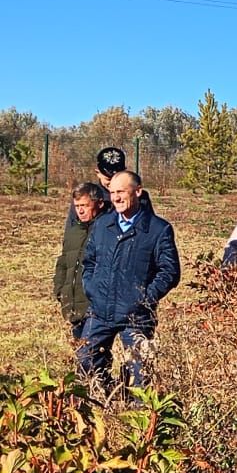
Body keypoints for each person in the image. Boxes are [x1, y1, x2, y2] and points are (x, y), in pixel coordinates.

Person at [79, 171, 180, 392]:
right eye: (112, 192)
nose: (115, 198)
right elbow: (89, 261)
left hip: (136, 317)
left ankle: (138, 420)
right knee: (86, 363)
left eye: (121, 192)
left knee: (139, 376)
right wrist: (92, 288)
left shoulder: (157, 229)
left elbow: (170, 271)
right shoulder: (103, 225)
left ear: (138, 192)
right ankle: (104, 405)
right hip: (100, 311)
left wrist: (144, 298)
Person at [54, 183, 110, 341]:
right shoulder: (73, 232)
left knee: (90, 354)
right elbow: (63, 262)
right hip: (72, 304)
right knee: (81, 352)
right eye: (77, 206)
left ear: (99, 203)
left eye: (85, 205)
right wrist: (60, 289)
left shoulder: (107, 231)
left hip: (95, 306)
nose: (80, 210)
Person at [65, 146, 153, 230]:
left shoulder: (139, 196)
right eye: (108, 179)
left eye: (117, 177)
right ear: (97, 172)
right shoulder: (86, 196)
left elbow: (150, 226)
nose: (113, 183)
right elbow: (73, 232)